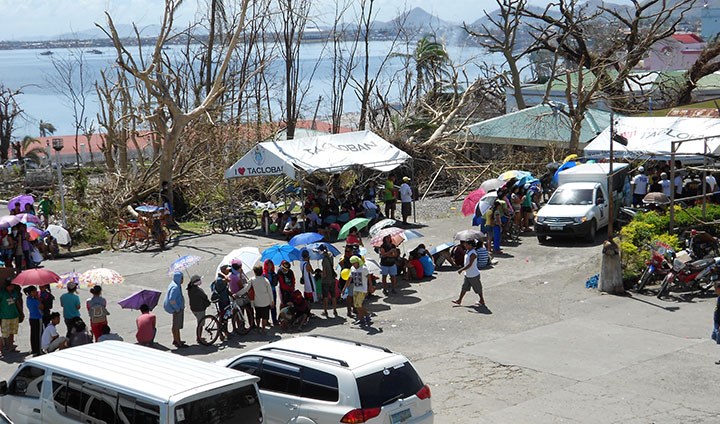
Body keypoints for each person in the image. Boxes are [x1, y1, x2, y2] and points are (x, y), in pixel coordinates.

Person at [452, 240, 485, 306]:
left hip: (473, 275)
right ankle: (459, 300)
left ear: (470, 245)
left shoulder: (473, 253)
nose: (465, 245)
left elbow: (470, 264)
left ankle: (482, 300)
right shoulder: (468, 251)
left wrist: (461, 269)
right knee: (464, 288)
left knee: (478, 289)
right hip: (468, 274)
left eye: (466, 244)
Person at [342, 256, 370, 327]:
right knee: (356, 305)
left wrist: (371, 286)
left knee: (358, 304)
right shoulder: (352, 269)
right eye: (352, 263)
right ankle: (363, 318)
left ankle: (365, 316)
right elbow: (349, 279)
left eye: (355, 263)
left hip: (362, 289)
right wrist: (344, 288)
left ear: (358, 262)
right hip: (355, 289)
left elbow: (368, 277)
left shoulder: (363, 269)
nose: (354, 265)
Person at [163, 271, 187, 348]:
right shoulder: (175, 287)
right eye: (182, 278)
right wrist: (177, 308)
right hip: (177, 309)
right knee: (176, 326)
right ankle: (178, 341)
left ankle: (176, 339)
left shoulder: (174, 284)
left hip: (176, 308)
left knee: (175, 325)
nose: (183, 280)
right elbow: (172, 299)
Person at [250, 265, 273, 332]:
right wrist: (272, 301)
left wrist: (237, 294)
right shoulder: (265, 280)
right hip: (265, 302)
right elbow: (270, 292)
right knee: (265, 317)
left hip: (257, 302)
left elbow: (246, 288)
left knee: (258, 315)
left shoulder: (252, 280)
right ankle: (263, 329)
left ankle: (257, 327)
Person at [319, 244, 338, 317]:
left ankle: (325, 311)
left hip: (326, 281)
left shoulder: (324, 260)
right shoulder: (331, 256)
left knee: (325, 296)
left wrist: (321, 275)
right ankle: (335, 310)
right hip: (332, 278)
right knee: (333, 296)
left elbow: (324, 273)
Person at [24, 285, 43, 356]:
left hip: (31, 318)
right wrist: (38, 299)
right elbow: (41, 307)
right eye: (35, 291)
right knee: (38, 335)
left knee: (33, 334)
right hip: (37, 318)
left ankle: (34, 349)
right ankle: (38, 350)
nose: (36, 292)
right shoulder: (35, 300)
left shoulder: (28, 299)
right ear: (31, 292)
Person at [263, 260, 279, 326]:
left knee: (273, 306)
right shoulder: (264, 274)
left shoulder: (273, 273)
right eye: (268, 265)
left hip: (273, 291)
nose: (269, 266)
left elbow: (275, 284)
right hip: (266, 293)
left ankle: (274, 320)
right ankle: (266, 321)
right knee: (266, 307)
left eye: (271, 265)